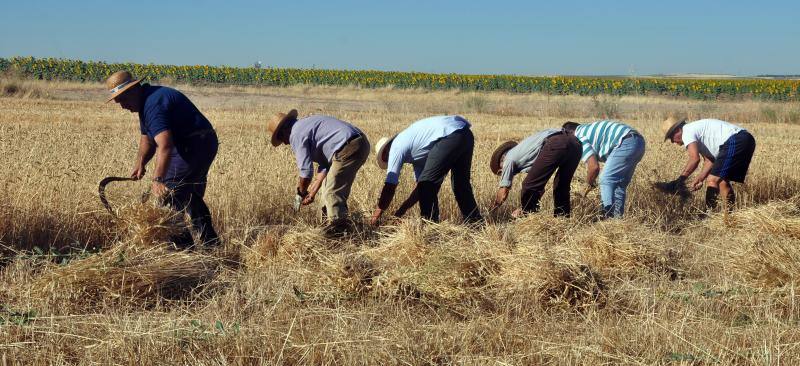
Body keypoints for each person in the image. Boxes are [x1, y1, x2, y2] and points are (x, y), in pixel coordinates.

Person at [106, 70, 220, 248]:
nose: (122, 106)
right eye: (118, 102)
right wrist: (141, 162)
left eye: (123, 100)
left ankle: (185, 251)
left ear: (133, 90)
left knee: (169, 196)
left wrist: (158, 179)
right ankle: (211, 244)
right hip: (197, 143)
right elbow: (147, 138)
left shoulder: (153, 104)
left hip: (195, 145)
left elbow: (165, 144)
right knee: (188, 194)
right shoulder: (146, 100)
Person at [267, 110, 370, 236]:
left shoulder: (296, 134)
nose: (285, 143)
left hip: (348, 147)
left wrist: (300, 194)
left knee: (332, 193)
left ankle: (340, 236)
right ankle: (327, 230)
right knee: (326, 191)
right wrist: (312, 193)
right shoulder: (306, 124)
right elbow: (326, 165)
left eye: (281, 138)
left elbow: (306, 172)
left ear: (283, 130)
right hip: (358, 143)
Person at [371, 115, 482, 225]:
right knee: (460, 185)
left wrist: (376, 216)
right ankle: (476, 223)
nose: (387, 161)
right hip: (465, 134)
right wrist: (401, 211)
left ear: (386, 151)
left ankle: (431, 227)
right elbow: (420, 188)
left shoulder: (396, 146)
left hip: (449, 135)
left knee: (428, 186)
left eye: (385, 158)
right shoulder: (418, 151)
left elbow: (390, 186)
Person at [661, 117, 756, 211]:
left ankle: (708, 214)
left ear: (678, 130)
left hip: (736, 140)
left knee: (712, 180)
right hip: (746, 140)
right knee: (722, 181)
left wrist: (680, 179)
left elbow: (694, 159)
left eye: (671, 137)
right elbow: (709, 160)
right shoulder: (694, 131)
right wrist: (700, 178)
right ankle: (729, 217)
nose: (673, 141)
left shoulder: (687, 131)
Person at [489, 128, 581, 217]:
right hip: (575, 142)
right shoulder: (524, 154)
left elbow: (503, 191)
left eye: (500, 172)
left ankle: (528, 219)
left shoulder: (508, 159)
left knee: (528, 185)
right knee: (561, 186)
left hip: (556, 142)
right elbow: (539, 188)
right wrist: (526, 206)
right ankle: (562, 220)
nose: (502, 173)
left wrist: (492, 211)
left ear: (501, 161)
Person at [562, 120, 645, 218]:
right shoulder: (588, 130)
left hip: (625, 141)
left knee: (606, 179)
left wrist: (586, 186)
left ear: (569, 133)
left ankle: (607, 217)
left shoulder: (578, 137)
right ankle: (617, 221)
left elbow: (594, 168)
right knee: (619, 184)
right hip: (638, 142)